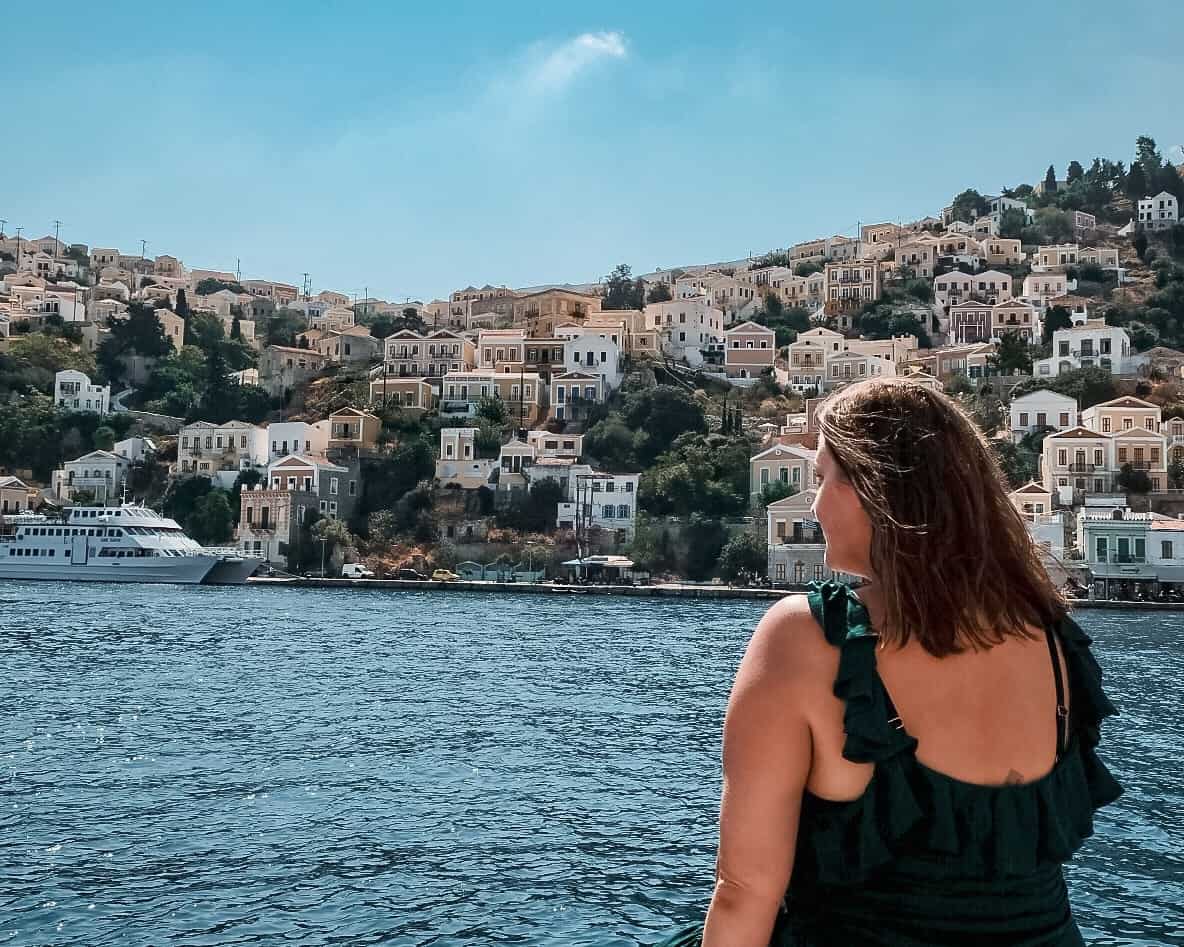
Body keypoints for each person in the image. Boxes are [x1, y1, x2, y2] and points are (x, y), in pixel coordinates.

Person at [656, 379, 1121, 946]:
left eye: (824, 478)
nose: (816, 502)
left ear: (876, 490)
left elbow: (743, 892)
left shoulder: (807, 639)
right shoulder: (1053, 635)